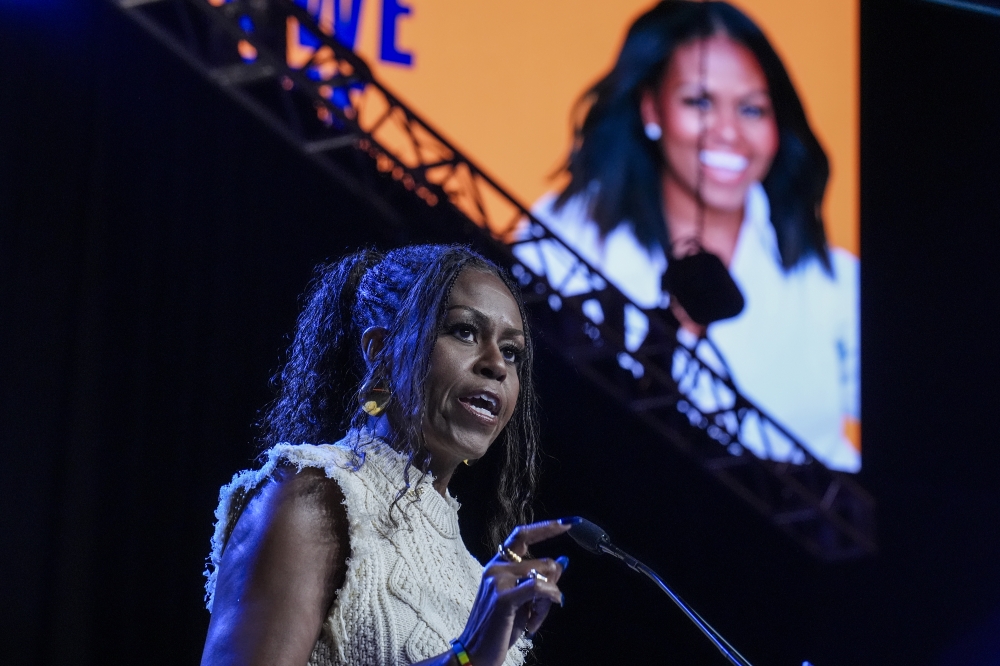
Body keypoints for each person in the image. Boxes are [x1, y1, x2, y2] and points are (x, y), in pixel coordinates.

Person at [515, 0, 859, 472]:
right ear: (651, 108)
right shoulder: (568, 232)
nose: (727, 132)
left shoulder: (831, 279)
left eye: (752, 109)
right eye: (699, 101)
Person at [201, 245, 574, 666]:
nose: (497, 365)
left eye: (512, 351)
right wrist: (464, 658)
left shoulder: (477, 581)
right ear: (380, 349)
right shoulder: (316, 495)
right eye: (465, 331)